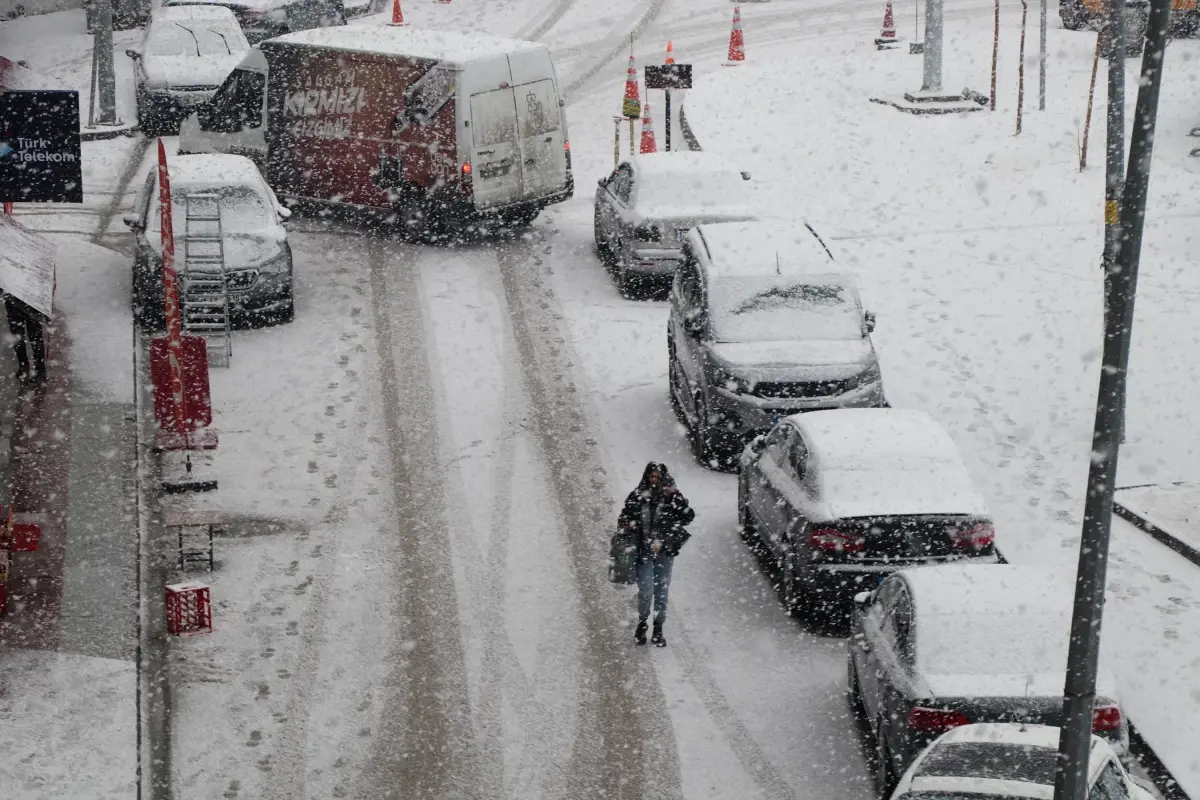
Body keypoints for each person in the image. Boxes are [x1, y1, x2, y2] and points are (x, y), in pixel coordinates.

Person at [617, 462, 694, 647]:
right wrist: (628, 525)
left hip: (665, 552)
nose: (654, 480)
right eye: (651, 477)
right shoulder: (637, 496)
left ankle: (658, 628)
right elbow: (624, 517)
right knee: (646, 589)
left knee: (661, 591)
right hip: (643, 551)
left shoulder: (672, 496)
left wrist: (675, 499)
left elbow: (688, 516)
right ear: (646, 477)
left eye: (658, 478)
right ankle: (643, 622)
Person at [3, 292, 46, 383]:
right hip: (22, 302)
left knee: (31, 337)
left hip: (26, 302)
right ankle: (29, 368)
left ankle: (34, 369)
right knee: (23, 338)